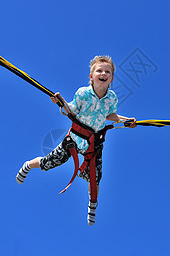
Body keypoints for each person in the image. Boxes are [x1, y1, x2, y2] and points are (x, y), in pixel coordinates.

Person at [16, 55, 136, 226]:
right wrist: (60, 102)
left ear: (111, 79)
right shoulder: (83, 93)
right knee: (48, 163)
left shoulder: (112, 98)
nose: (103, 73)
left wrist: (126, 120)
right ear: (91, 76)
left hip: (93, 144)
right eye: (99, 70)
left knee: (95, 178)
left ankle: (92, 205)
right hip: (74, 139)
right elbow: (70, 110)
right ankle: (29, 165)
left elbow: (110, 115)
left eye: (107, 72)